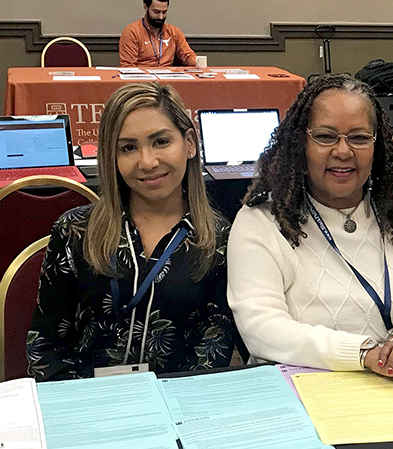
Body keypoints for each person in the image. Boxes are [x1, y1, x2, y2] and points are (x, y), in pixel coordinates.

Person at [228, 74, 393, 387]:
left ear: (378, 145)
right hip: (304, 395)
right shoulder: (262, 221)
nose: (343, 151)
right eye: (325, 137)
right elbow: (261, 327)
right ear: (300, 143)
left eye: (359, 138)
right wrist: (367, 354)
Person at [27, 83, 237, 381]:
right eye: (128, 147)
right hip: (85, 401)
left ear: (189, 143)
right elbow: (46, 342)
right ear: (111, 157)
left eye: (161, 141)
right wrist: (76, 407)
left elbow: (213, 347)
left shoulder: (219, 239)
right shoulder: (75, 231)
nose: (147, 162)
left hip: (176, 405)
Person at [119, 0, 197, 68]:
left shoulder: (174, 32)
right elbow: (128, 67)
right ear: (145, 7)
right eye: (156, 12)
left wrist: (197, 62)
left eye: (164, 12)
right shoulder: (131, 32)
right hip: (143, 79)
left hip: (167, 78)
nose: (160, 17)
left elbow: (188, 55)